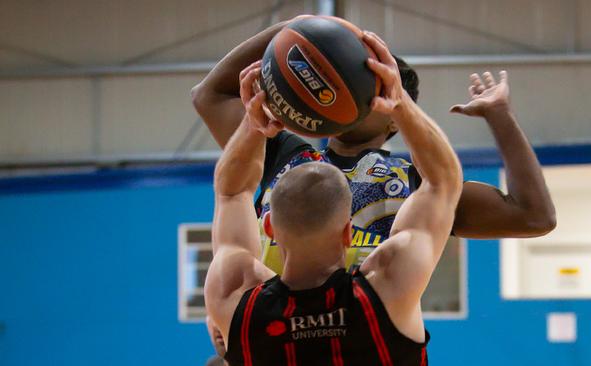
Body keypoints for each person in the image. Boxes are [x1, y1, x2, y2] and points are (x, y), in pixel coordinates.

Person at [192, 16, 556, 272]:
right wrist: (295, 30)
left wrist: (500, 116)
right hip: (277, 337)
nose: (356, 88)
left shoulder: (422, 185)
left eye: (374, 84)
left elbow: (533, 216)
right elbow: (208, 95)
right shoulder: (282, 153)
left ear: (397, 115)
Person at [203, 41, 463, 364]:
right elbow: (443, 182)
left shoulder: (234, 298)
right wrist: (399, 104)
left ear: (269, 227)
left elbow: (232, 192)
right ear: (348, 232)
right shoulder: (388, 289)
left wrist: (254, 123)